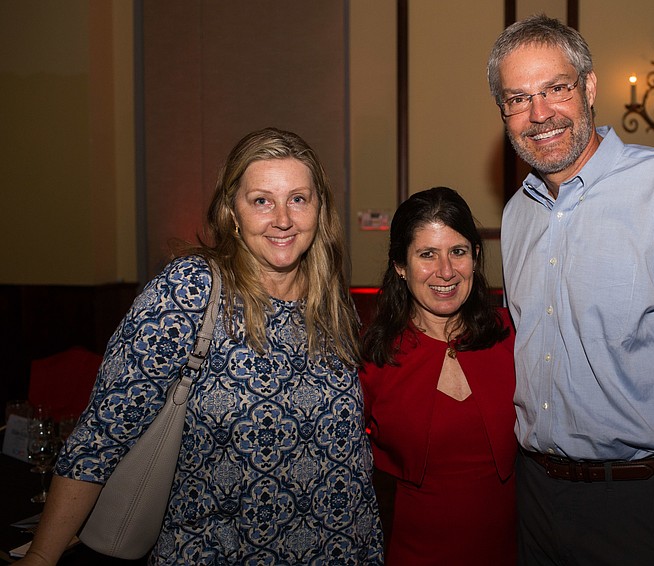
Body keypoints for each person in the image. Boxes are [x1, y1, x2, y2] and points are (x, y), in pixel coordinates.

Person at [20, 128, 384, 565]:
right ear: (232, 212)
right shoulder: (190, 289)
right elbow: (102, 434)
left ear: (319, 209)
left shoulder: (330, 300)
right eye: (262, 200)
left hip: (341, 549)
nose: (283, 218)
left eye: (298, 199)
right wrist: (41, 556)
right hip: (218, 551)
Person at [487, 15, 654, 565]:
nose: (539, 114)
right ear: (503, 112)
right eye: (518, 99)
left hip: (639, 503)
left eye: (556, 88)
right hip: (534, 496)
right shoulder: (518, 213)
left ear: (589, 87)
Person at [359, 187, 518, 565]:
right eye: (427, 254)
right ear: (401, 265)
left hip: (513, 552)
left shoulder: (513, 334)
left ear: (475, 257)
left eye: (458, 252)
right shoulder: (375, 358)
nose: (446, 271)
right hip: (415, 553)